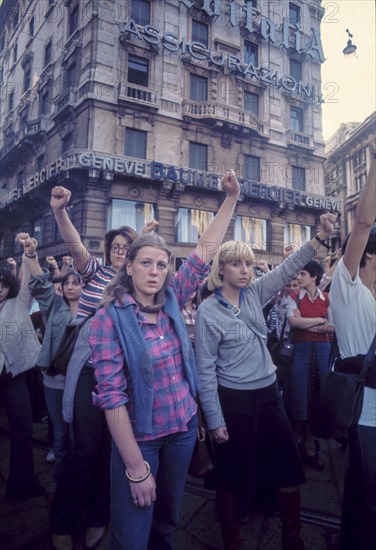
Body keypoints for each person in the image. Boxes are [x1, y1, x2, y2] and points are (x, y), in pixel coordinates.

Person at [88, 171, 240, 550]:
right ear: (129, 267)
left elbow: (204, 252)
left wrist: (231, 199)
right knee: (131, 533)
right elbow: (111, 397)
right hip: (141, 440)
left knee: (168, 520)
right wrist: (136, 468)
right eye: (146, 264)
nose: (154, 272)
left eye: (161, 265)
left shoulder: (173, 295)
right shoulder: (110, 318)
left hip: (184, 431)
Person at [194, 211, 337, 550]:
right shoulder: (208, 312)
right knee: (232, 476)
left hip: (269, 396)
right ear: (221, 269)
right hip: (234, 403)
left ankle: (293, 538)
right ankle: (233, 541)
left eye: (249, 263)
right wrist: (214, 420)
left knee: (288, 468)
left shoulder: (255, 293)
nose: (246, 270)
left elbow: (288, 268)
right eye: (237, 264)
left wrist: (319, 238)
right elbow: (205, 371)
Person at [48, 186, 157, 550]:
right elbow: (76, 246)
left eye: (128, 248)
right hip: (91, 373)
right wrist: (61, 212)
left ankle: (98, 516)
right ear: (109, 252)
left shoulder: (137, 284)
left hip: (126, 381)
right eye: (116, 247)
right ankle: (62, 519)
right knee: (85, 449)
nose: (120, 252)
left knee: (114, 452)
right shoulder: (94, 275)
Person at [329, 143, 376, 550]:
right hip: (366, 415)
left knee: (363, 494)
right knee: (366, 497)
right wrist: (375, 163)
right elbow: (361, 223)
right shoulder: (348, 288)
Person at [26, 241, 83, 482]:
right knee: (60, 434)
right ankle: (61, 480)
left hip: (81, 382)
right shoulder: (54, 306)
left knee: (78, 435)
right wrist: (30, 255)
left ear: (84, 286)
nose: (69, 287)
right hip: (54, 381)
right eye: (66, 283)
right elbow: (40, 284)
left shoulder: (92, 310)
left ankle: (77, 482)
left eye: (75, 282)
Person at [0, 235, 45, 500]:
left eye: (2, 285)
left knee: (23, 430)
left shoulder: (18, 305)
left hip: (14, 376)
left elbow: (28, 281)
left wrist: (29, 254)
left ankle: (20, 484)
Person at [284, 261, 334, 470]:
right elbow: (293, 322)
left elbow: (332, 327)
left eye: (302, 273)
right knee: (298, 398)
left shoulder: (327, 298)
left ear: (313, 277)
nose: (298, 277)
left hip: (322, 354)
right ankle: (290, 448)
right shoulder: (292, 297)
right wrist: (319, 320)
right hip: (301, 354)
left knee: (317, 400)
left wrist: (306, 320)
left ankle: (309, 445)